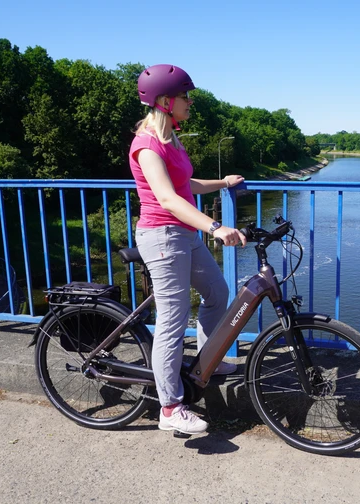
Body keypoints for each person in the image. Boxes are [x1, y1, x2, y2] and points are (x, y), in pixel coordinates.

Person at [129, 64, 246, 436]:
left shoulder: (172, 139)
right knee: (172, 319)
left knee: (218, 292)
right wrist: (215, 226)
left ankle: (205, 363)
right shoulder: (147, 145)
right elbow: (165, 197)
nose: (189, 102)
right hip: (162, 236)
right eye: (185, 96)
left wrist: (223, 181)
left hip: (184, 233)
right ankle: (170, 406)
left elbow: (186, 184)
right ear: (166, 101)